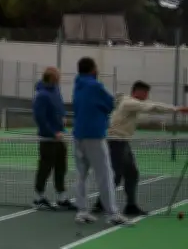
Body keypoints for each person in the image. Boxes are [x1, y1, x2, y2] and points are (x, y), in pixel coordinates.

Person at [93, 81, 188, 216]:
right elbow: (152, 107)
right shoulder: (129, 103)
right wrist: (177, 109)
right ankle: (100, 204)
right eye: (145, 92)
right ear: (137, 92)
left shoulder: (133, 104)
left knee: (132, 173)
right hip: (115, 141)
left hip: (123, 142)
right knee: (115, 176)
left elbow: (149, 105)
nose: (147, 95)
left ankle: (130, 206)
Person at [71, 57, 128, 225]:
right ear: (92, 69)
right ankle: (112, 214)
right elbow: (110, 104)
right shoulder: (95, 86)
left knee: (81, 175)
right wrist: (116, 100)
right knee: (105, 175)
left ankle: (82, 211)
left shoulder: (77, 86)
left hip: (78, 135)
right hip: (94, 136)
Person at [32, 67, 76, 210]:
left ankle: (62, 197)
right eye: (57, 78)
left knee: (61, 166)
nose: (59, 80)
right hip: (48, 139)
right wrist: (52, 132)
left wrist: (62, 118)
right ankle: (39, 197)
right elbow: (40, 118)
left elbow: (58, 107)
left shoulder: (56, 90)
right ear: (51, 79)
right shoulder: (42, 95)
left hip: (59, 136)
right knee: (45, 167)